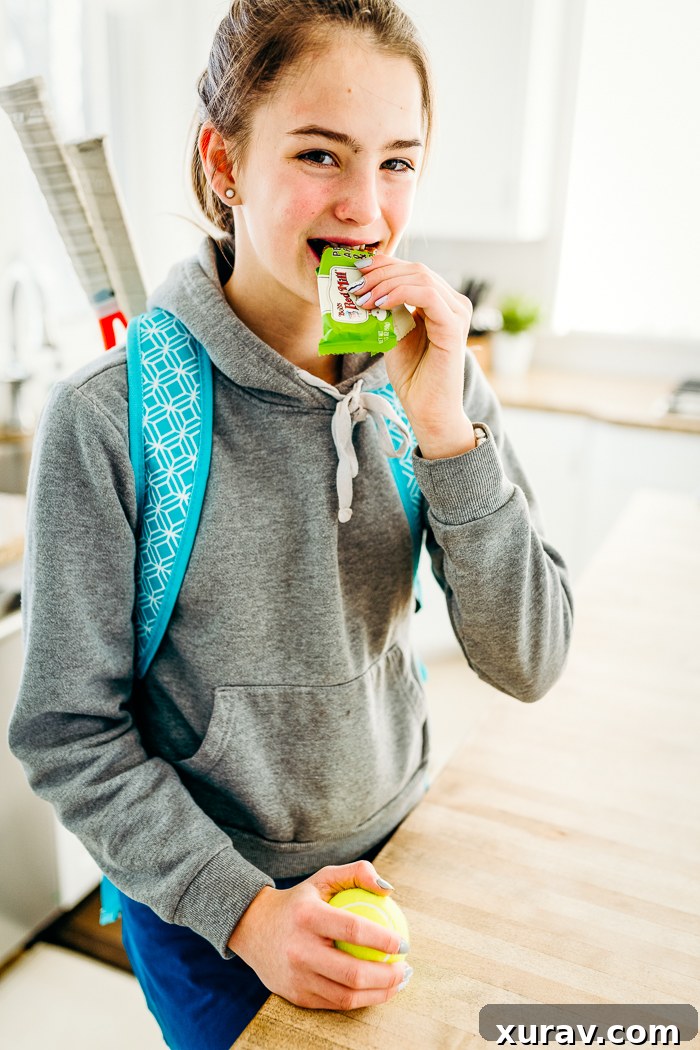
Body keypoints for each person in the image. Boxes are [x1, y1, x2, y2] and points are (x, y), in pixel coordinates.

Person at [9, 1, 573, 1047]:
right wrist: (246, 914)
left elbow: (529, 661)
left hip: (400, 852)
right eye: (320, 154)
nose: (366, 208)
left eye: (397, 162)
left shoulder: (432, 382)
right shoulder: (109, 418)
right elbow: (66, 733)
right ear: (222, 163)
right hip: (210, 909)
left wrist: (448, 436)